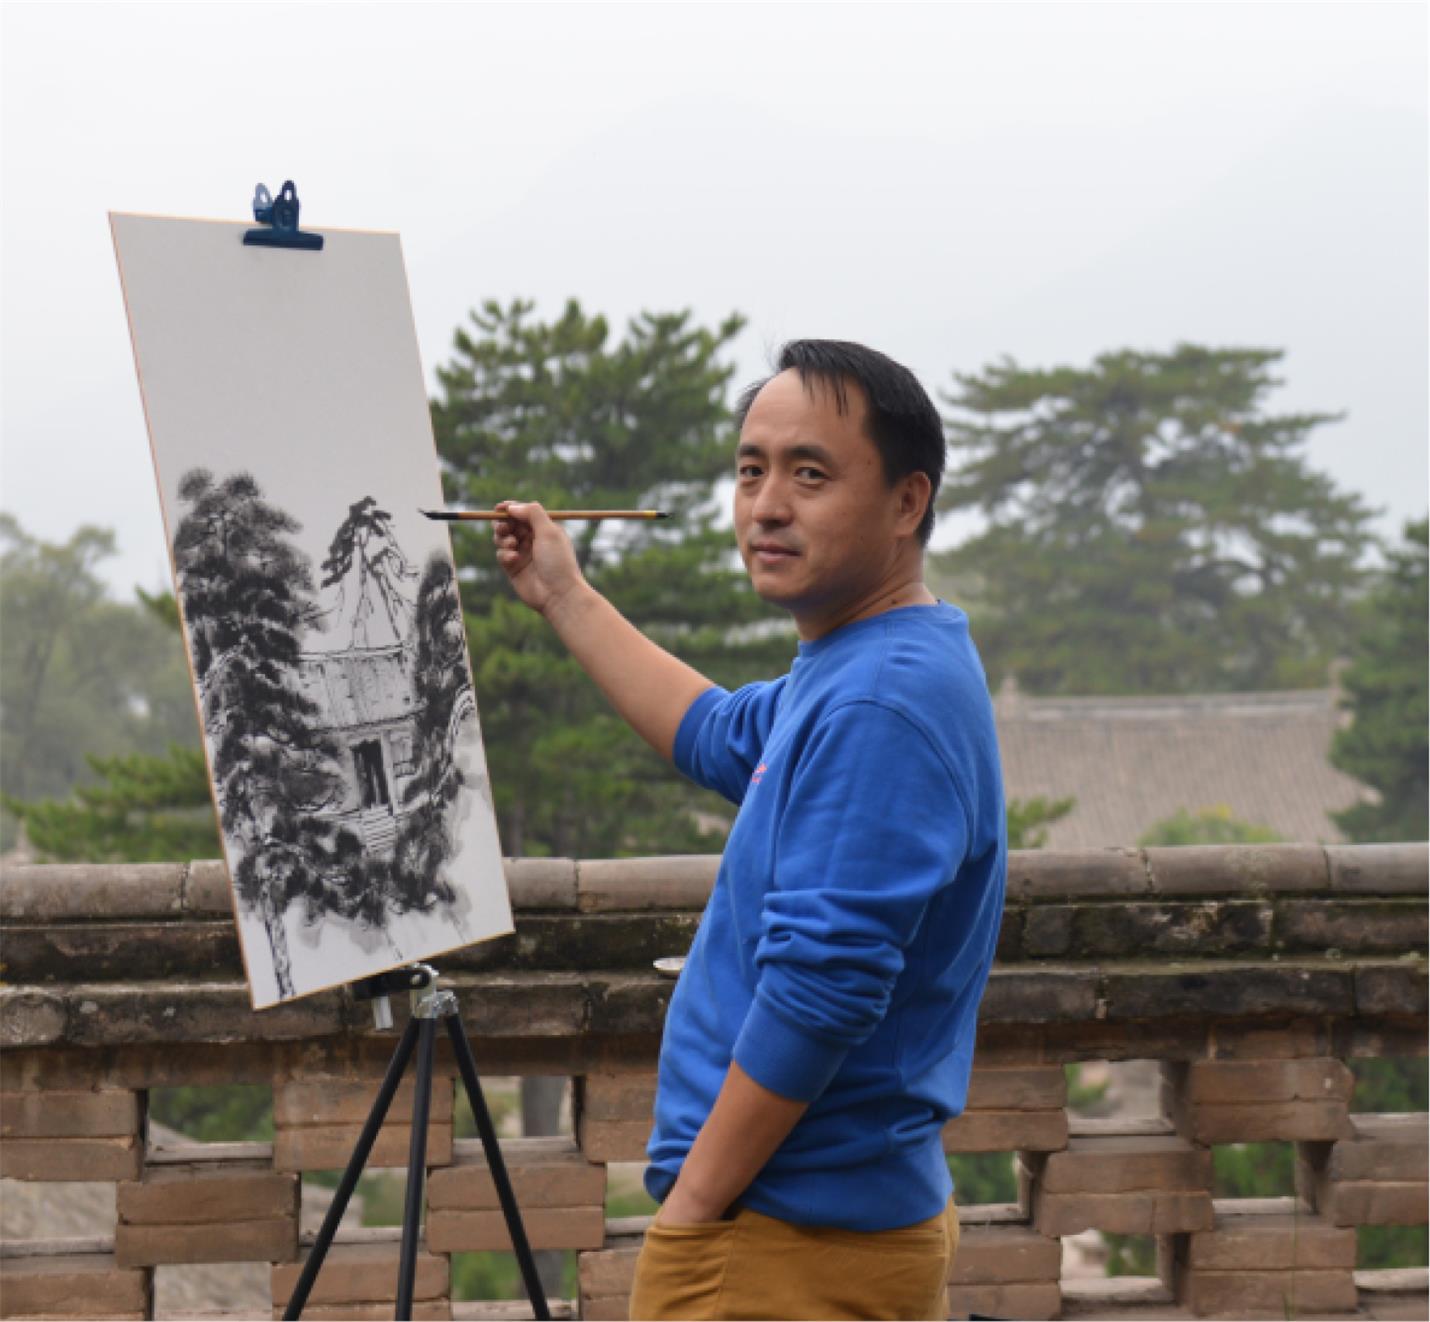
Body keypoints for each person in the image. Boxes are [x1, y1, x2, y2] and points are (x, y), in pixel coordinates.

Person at [491, 339, 1007, 1321]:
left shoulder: (881, 700)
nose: (766, 504)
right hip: (806, 1226)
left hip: (786, 1241)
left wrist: (694, 1207)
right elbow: (720, 732)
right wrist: (562, 591)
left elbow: (822, 987)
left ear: (907, 501)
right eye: (750, 470)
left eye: (809, 474)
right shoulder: (866, 661)